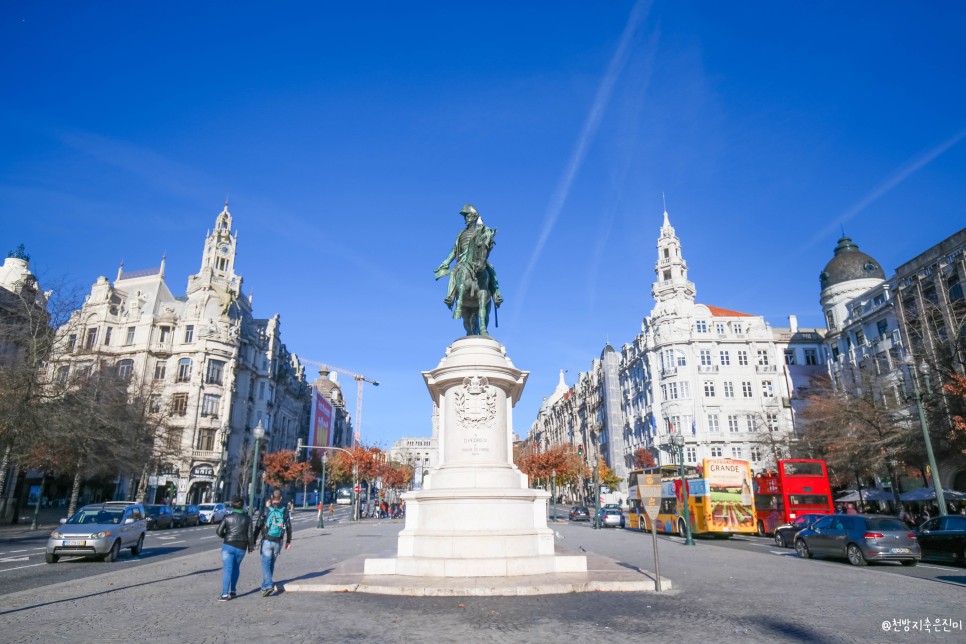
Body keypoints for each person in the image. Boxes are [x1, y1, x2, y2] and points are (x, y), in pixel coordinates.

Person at [434, 204, 503, 335]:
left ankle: (496, 295)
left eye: (469, 216)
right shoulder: (461, 233)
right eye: (465, 216)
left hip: (478, 259)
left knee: (491, 269)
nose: (466, 218)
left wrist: (487, 235)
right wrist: (445, 263)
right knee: (454, 272)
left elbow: (488, 242)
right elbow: (454, 251)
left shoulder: (482, 230)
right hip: (463, 262)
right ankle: (450, 296)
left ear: (475, 217)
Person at [253, 489, 292, 597]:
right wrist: (288, 541)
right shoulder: (285, 510)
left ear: (271, 497)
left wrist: (253, 540)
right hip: (278, 541)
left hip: (267, 539)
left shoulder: (266, 510)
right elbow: (288, 527)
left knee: (265, 563)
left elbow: (258, 525)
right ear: (281, 499)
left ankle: (269, 584)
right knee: (271, 564)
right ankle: (265, 587)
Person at [215, 496, 253, 602]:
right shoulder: (247, 518)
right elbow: (250, 534)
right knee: (236, 568)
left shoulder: (227, 517)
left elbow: (219, 531)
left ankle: (224, 594)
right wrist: (250, 546)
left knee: (227, 569)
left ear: (232, 505)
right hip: (242, 546)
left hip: (228, 545)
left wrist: (226, 536)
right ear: (242, 505)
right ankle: (233, 591)